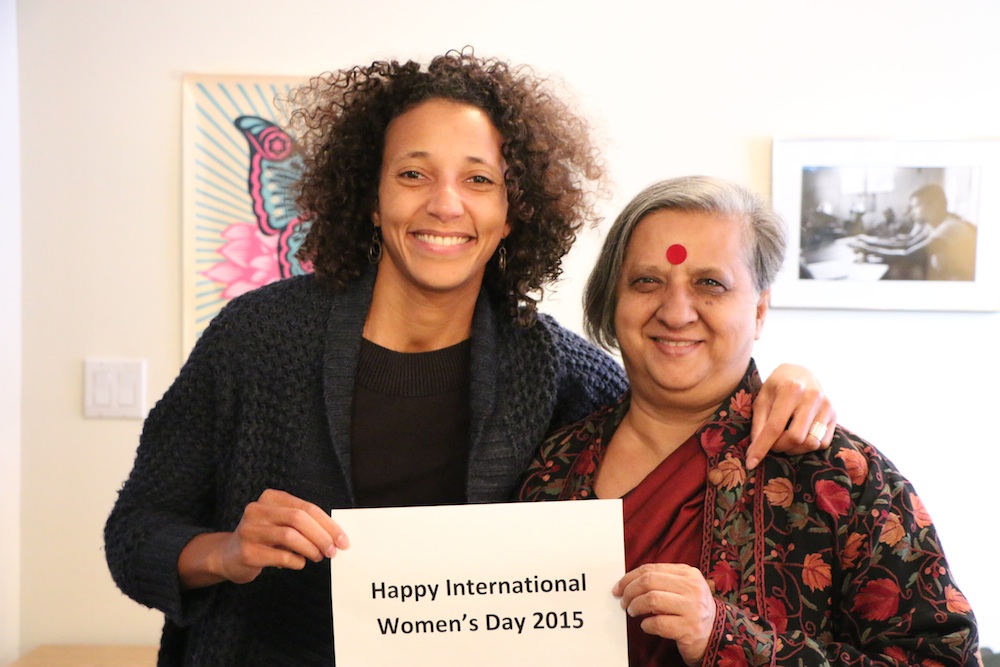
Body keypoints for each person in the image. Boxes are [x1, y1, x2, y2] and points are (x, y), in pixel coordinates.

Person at [105, 51, 836, 666]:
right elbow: (134, 531)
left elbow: (675, 409)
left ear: (513, 209)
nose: (445, 204)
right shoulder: (257, 336)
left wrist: (784, 380)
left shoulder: (554, 368)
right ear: (371, 196)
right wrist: (226, 551)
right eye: (414, 174)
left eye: (478, 179)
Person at [519, 176, 978, 667]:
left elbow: (942, 659)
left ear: (759, 310)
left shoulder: (841, 476)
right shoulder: (554, 463)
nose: (675, 313)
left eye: (710, 284)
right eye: (647, 281)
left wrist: (728, 639)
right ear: (614, 302)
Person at [850, 183, 977, 281]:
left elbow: (909, 255)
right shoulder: (932, 227)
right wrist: (868, 243)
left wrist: (868, 248)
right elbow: (907, 244)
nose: (912, 212)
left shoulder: (950, 227)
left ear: (935, 205)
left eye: (916, 206)